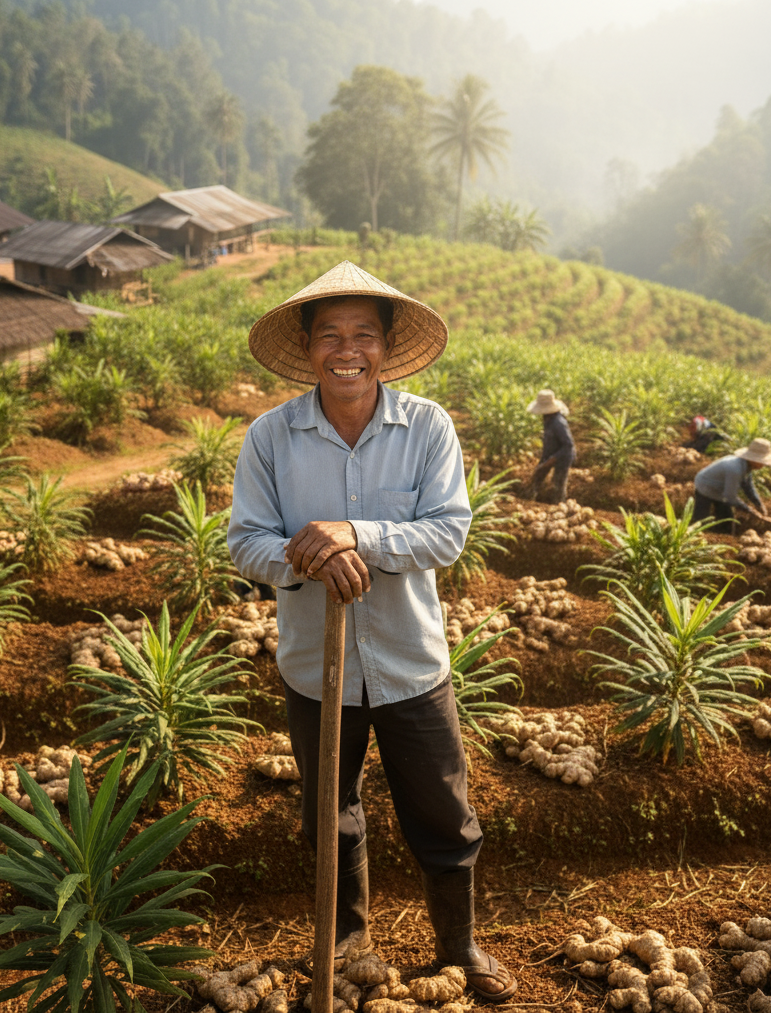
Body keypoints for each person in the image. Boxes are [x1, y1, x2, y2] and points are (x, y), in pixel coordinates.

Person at [228, 260, 517, 1003]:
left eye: (364, 333)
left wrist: (354, 533)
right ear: (308, 345)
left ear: (386, 347)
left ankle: (460, 944)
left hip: (411, 663)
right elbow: (245, 542)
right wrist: (312, 560)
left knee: (444, 813)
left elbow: (447, 534)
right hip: (312, 668)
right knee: (331, 813)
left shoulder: (426, 428)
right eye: (330, 334)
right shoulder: (270, 437)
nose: (346, 349)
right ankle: (348, 939)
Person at [691, 437, 771, 533]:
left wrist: (759, 504)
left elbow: (748, 487)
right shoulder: (735, 469)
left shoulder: (747, 466)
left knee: (727, 520)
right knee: (701, 521)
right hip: (705, 485)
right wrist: (750, 511)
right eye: (762, 462)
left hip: (720, 489)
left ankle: (721, 538)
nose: (764, 465)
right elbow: (730, 497)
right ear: (753, 459)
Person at [526, 389, 576, 503]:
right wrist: (543, 463)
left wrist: (552, 459)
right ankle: (530, 499)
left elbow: (568, 445)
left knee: (558, 483)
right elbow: (549, 443)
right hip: (550, 453)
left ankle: (559, 504)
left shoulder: (558, 423)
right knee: (538, 475)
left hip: (563, 457)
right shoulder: (548, 419)